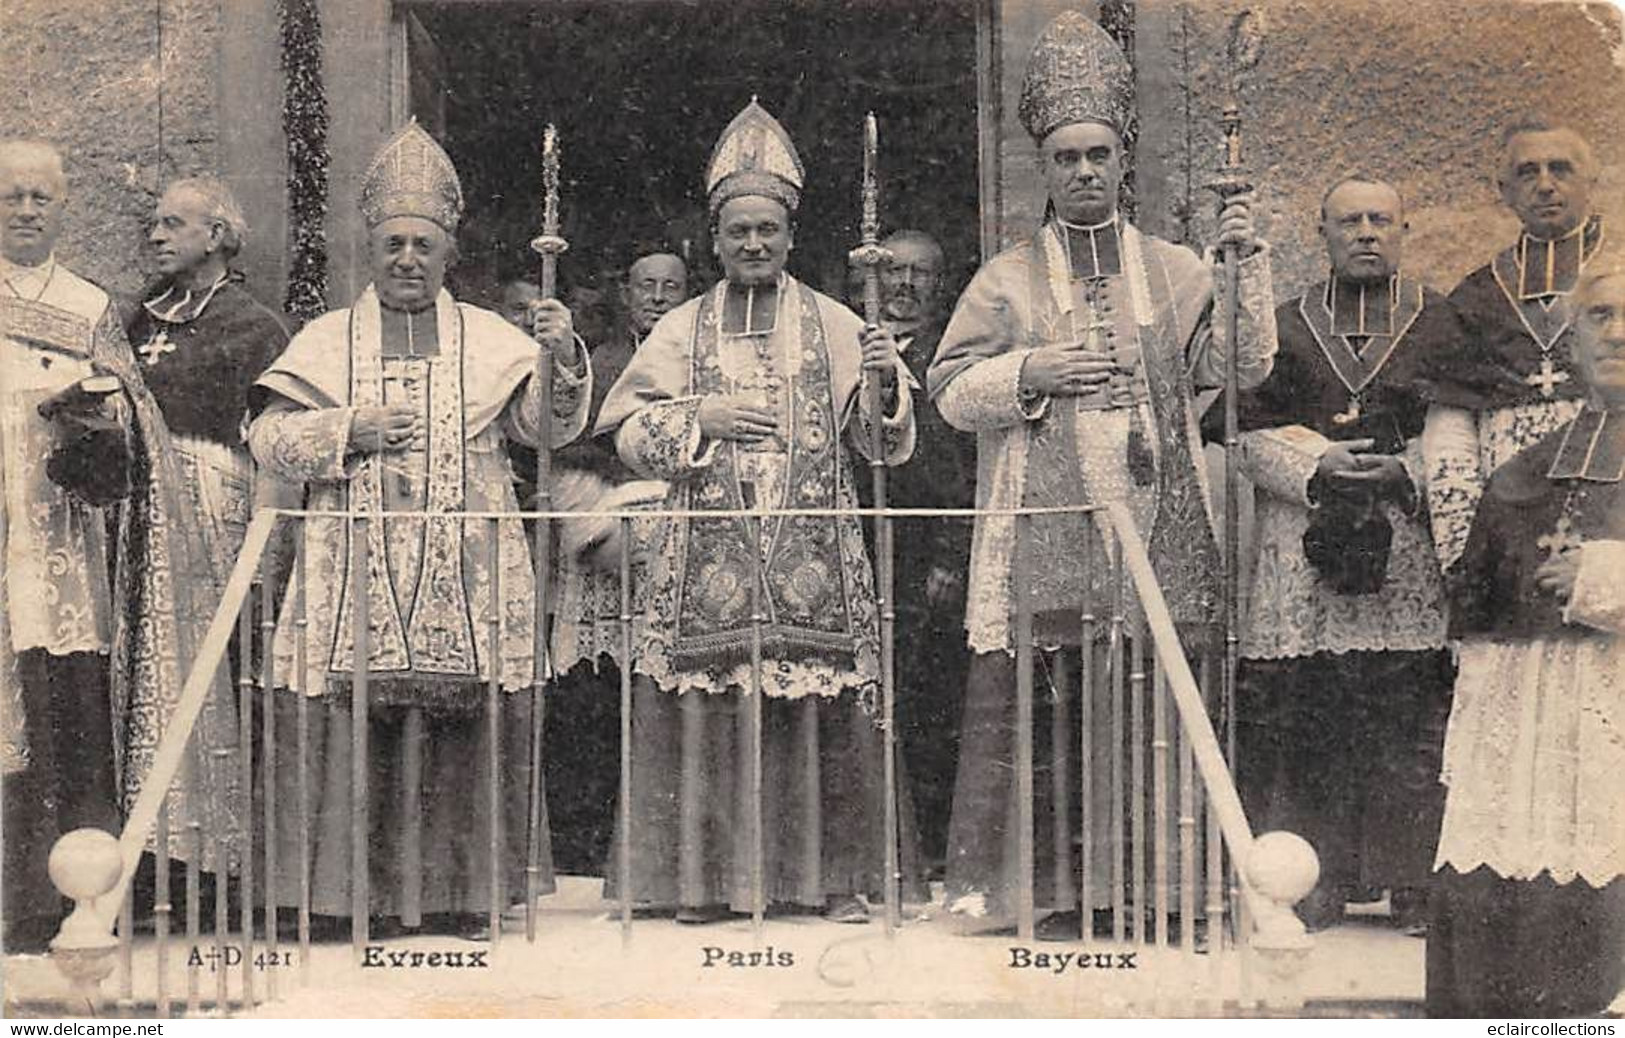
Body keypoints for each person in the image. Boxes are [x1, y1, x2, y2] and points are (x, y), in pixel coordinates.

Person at [928, 11, 1276, 938]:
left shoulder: (1176, 271)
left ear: (1124, 160)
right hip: (1046, 527)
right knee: (1053, 713)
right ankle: (1045, 895)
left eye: (1098, 155)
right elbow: (950, 394)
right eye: (1064, 157)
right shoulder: (1001, 279)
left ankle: (1162, 892)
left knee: (1157, 697)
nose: (1083, 171)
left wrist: (1244, 267)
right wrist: (1030, 374)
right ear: (1042, 167)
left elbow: (1237, 371)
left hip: (1160, 528)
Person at [247, 122, 591, 936]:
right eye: (395, 243)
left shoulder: (492, 339)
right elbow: (265, 437)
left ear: (448, 255)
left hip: (467, 565)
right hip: (348, 564)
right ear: (371, 248)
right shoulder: (327, 340)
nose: (408, 258)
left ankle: (464, 896)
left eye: (424, 246)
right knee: (346, 713)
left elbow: (544, 431)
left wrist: (562, 355)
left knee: (465, 722)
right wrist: (344, 432)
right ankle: (343, 900)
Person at [595, 99, 917, 924]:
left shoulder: (840, 321)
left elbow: (879, 446)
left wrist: (881, 383)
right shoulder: (679, 325)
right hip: (706, 551)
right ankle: (704, 883)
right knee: (708, 716)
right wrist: (695, 419)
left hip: (813, 547)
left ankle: (830, 880)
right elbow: (626, 432)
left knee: (820, 712)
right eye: (738, 231)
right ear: (714, 238)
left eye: (767, 230)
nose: (752, 244)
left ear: (790, 235)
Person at [1223, 177, 1455, 932]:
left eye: (1379, 220)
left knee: (1404, 716)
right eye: (1347, 220)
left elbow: (1463, 431)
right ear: (1319, 233)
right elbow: (1241, 429)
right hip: (1305, 551)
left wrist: (1409, 469)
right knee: (1309, 715)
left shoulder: (1443, 324)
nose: (1364, 232)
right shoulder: (1280, 329)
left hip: (1404, 555)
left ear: (1402, 229)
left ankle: (1409, 881)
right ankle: (1310, 880)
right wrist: (1316, 463)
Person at [0, 140, 214, 951]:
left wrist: (93, 426)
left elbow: (135, 431)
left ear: (62, 209)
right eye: (11, 196)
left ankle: (62, 901)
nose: (25, 210)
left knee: (64, 707)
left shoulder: (90, 308)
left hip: (63, 544)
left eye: (40, 199)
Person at [1425, 254, 1625, 1017]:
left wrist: (1604, 578)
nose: (1615, 332)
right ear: (1569, 340)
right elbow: (1483, 640)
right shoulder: (1520, 475)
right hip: (1530, 764)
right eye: (1597, 315)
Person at [545, 248, 689, 874]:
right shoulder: (599, 362)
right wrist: (596, 526)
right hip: (606, 543)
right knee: (599, 697)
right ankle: (590, 848)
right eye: (645, 285)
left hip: (682, 546)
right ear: (626, 292)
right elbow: (565, 456)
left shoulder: (696, 352)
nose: (657, 297)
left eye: (671, 287)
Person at [1421, 121, 1602, 573]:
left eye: (1561, 169)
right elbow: (1450, 432)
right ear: (1505, 190)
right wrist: (1459, 550)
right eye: (1528, 172)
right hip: (1504, 515)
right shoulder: (1475, 296)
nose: (1545, 185)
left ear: (1591, 180)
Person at [866, 229, 975, 870]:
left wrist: (951, 557)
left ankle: (927, 850)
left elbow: (969, 469)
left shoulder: (950, 358)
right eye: (893, 273)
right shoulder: (852, 348)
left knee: (930, 702)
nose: (904, 286)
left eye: (922, 274)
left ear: (942, 285)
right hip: (863, 550)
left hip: (929, 559)